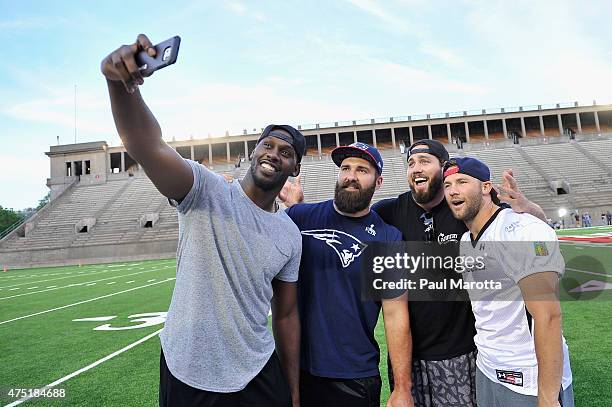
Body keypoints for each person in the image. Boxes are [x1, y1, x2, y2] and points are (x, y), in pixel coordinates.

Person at [101, 34, 303, 407]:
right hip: (189, 369)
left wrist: (292, 389)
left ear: (295, 168)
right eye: (268, 144)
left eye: (286, 152)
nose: (274, 154)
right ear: (254, 150)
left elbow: (287, 315)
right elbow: (146, 144)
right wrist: (119, 85)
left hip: (258, 370)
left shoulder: (290, 233)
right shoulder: (206, 190)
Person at [371, 139, 547, 406]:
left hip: (463, 352)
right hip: (408, 358)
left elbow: (532, 225)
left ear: (444, 169)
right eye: (411, 163)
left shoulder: (465, 204)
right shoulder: (389, 211)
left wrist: (528, 206)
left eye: (424, 161)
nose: (416, 168)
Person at [283, 143, 413, 407]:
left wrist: (401, 387)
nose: (351, 175)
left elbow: (395, 313)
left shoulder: (388, 238)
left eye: (362, 170)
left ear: (378, 182)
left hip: (354, 376)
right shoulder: (299, 216)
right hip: (297, 370)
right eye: (345, 168)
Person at [442, 156, 573, 407]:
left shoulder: (519, 230)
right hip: (488, 368)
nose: (453, 191)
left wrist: (547, 396)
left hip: (528, 377)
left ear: (485, 187)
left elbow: (548, 316)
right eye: (447, 185)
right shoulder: (465, 240)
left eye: (462, 181)